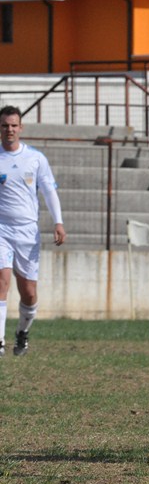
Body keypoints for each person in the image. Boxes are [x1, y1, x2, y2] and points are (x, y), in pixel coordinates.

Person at [0, 105, 66, 357]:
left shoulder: (36, 158)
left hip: (28, 231)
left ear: (21, 127)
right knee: (2, 281)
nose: (10, 129)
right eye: (5, 125)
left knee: (28, 292)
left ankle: (22, 333)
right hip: (1, 229)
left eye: (14, 125)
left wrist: (58, 222)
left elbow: (49, 191)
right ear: (0, 128)